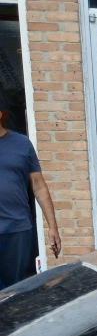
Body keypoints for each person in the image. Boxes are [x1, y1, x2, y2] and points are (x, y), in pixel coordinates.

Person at [0, 109, 60, 289]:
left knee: (16, 289)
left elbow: (38, 185)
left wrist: (53, 227)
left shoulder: (22, 144)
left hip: (16, 228)